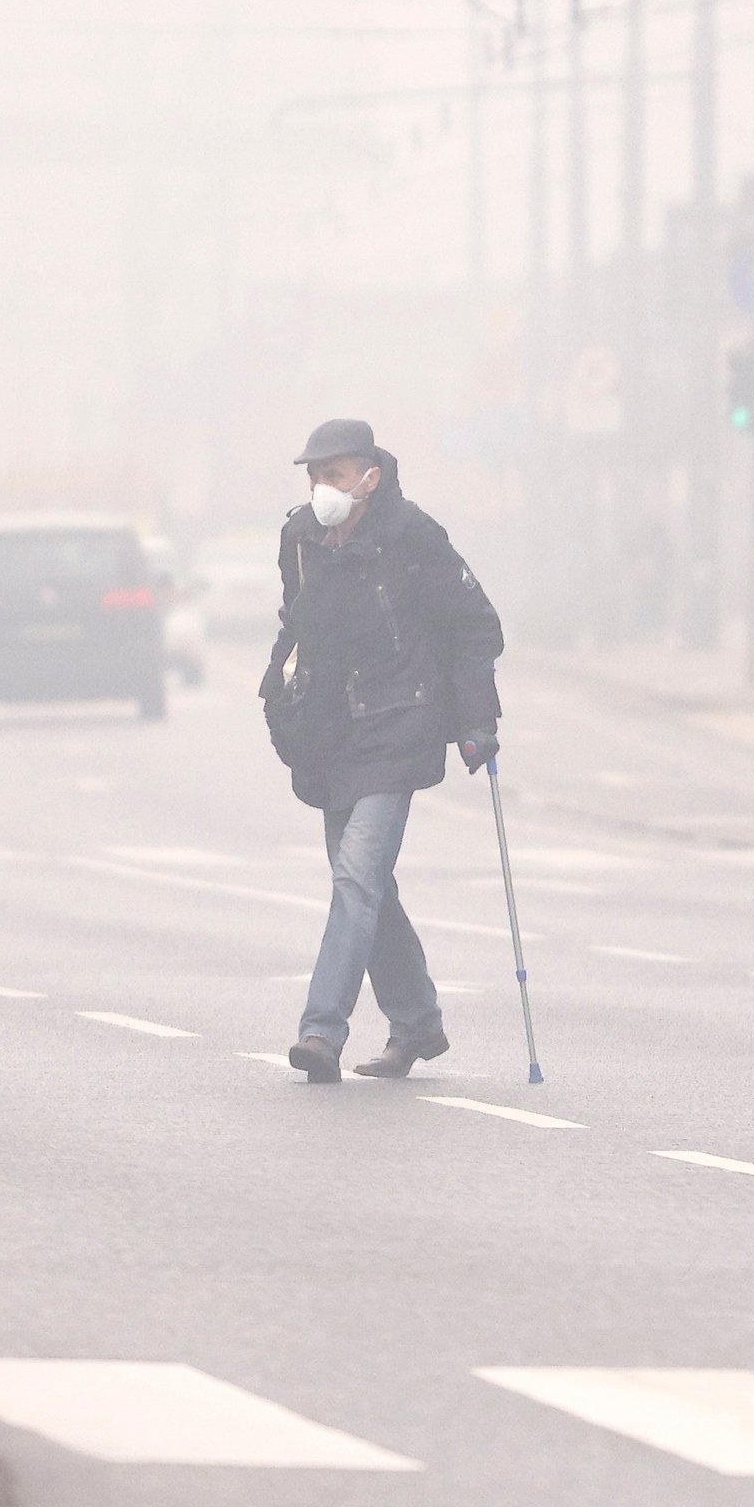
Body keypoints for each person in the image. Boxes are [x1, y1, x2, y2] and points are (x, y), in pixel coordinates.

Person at [258, 415, 504, 1084]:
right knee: (369, 889)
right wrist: (278, 690)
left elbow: (473, 623)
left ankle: (320, 1031)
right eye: (314, 476)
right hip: (332, 734)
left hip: (398, 727)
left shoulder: (411, 535)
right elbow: (297, 622)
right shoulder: (301, 538)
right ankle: (417, 1023)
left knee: (356, 878)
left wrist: (477, 718)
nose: (321, 488)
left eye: (334, 475)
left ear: (370, 476)